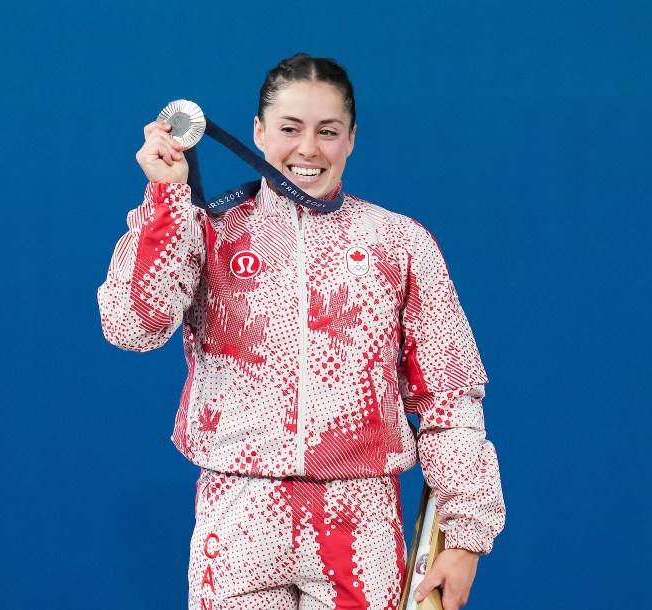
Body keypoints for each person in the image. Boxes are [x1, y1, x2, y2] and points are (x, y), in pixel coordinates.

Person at [98, 53, 505, 610]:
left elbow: (449, 396)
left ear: (352, 138)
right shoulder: (210, 232)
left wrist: (463, 539)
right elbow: (131, 326)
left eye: (328, 131)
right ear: (259, 133)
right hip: (237, 511)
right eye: (290, 129)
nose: (308, 149)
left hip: (357, 513)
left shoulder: (399, 243)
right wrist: (168, 197)